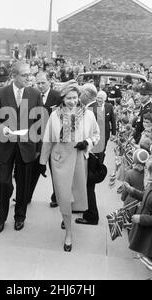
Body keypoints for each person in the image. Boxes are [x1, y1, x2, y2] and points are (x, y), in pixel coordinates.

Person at [39, 82, 100, 251]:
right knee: (64, 197)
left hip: (80, 160)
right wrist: (42, 163)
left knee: (76, 197)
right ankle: (69, 233)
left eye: (75, 98)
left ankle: (66, 217)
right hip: (59, 161)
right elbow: (48, 139)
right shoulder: (55, 116)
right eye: (69, 98)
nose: (72, 101)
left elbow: (96, 135)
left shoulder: (88, 115)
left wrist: (87, 142)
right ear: (63, 99)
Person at [0, 61, 43, 234]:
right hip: (5, 146)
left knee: (24, 184)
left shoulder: (34, 94)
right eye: (25, 75)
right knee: (2, 183)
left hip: (26, 147)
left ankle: (20, 216)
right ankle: (1, 216)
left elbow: (40, 121)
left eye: (30, 75)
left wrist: (38, 148)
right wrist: (2, 128)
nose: (29, 78)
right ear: (14, 76)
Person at [33, 71, 61, 208]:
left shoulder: (57, 96)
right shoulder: (32, 95)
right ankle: (25, 196)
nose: (40, 86)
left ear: (49, 82)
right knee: (32, 170)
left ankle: (56, 197)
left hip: (53, 141)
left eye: (43, 82)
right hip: (36, 140)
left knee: (55, 170)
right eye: (38, 83)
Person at [75, 83, 102, 225]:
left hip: (90, 154)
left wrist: (87, 145)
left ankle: (91, 215)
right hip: (90, 152)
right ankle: (84, 209)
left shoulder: (91, 110)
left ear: (85, 94)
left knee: (88, 187)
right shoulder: (94, 108)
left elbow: (99, 134)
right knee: (86, 186)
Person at [94, 90, 116, 163]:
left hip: (105, 133)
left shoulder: (109, 106)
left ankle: (100, 165)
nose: (99, 100)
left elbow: (113, 121)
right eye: (98, 98)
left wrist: (113, 133)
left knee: (102, 151)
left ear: (105, 99)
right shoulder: (92, 106)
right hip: (94, 133)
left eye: (101, 98)